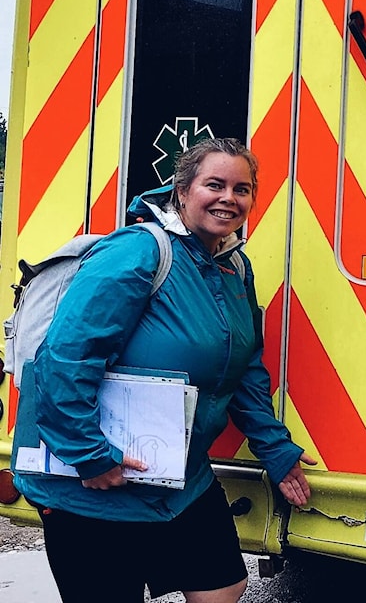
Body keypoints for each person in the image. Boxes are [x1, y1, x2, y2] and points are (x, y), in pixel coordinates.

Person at [13, 138, 317, 603]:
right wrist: (88, 455)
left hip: (180, 479)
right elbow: (65, 357)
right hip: (96, 488)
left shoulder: (233, 265)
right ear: (181, 190)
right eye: (214, 184)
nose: (229, 198)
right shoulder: (137, 252)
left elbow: (244, 367)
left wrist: (273, 447)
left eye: (242, 188)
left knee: (223, 585)